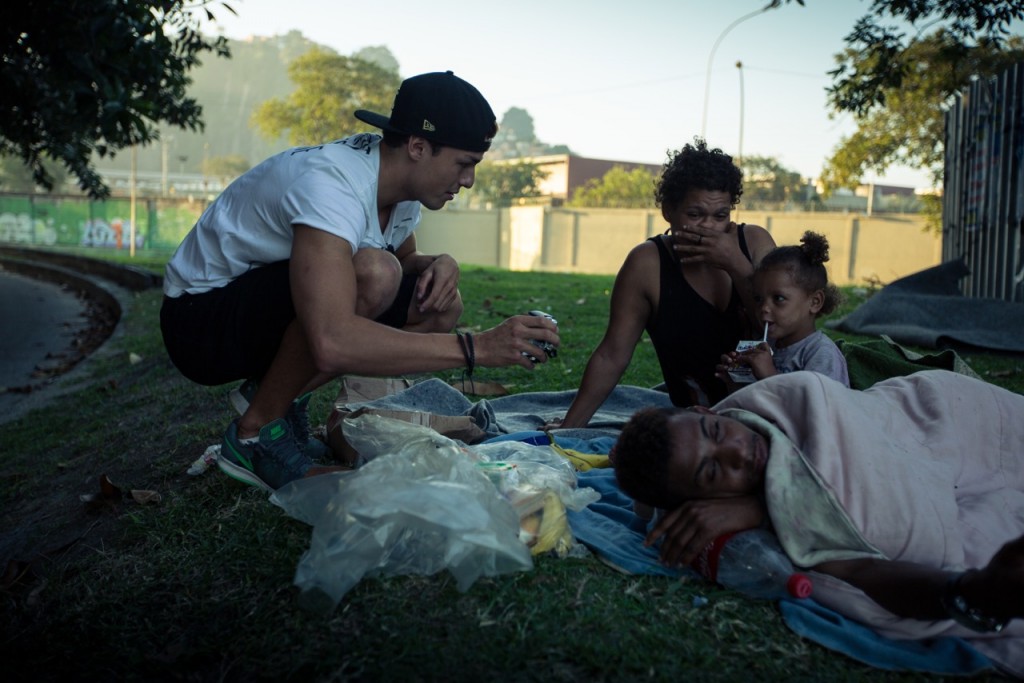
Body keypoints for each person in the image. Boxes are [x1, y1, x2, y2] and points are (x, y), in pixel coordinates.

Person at [160, 71, 559, 493]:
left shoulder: (400, 192)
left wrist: (438, 263)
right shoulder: (334, 184)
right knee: (374, 274)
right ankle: (253, 432)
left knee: (439, 304)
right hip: (199, 321)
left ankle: (275, 396)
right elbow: (332, 340)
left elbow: (404, 261)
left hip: (256, 303)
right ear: (418, 147)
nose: (468, 181)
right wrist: (476, 347)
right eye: (464, 164)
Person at [612, 370, 1024, 676]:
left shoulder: (781, 402)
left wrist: (761, 502)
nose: (737, 450)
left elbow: (825, 400)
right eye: (713, 472)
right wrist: (973, 592)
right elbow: (861, 570)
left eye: (717, 430)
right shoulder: (776, 535)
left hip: (941, 415)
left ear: (707, 410)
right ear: (695, 504)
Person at [547, 138, 775, 430]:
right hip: (697, 419)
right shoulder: (648, 264)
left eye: (720, 216)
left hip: (771, 407)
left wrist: (735, 263)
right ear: (668, 211)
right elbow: (612, 354)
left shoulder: (754, 244)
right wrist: (570, 426)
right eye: (695, 215)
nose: (709, 227)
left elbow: (783, 329)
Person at [715, 230, 849, 389]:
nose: (764, 308)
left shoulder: (821, 354)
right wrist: (737, 381)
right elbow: (759, 398)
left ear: (815, 302)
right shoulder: (765, 345)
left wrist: (770, 375)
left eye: (778, 298)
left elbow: (821, 407)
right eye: (758, 299)